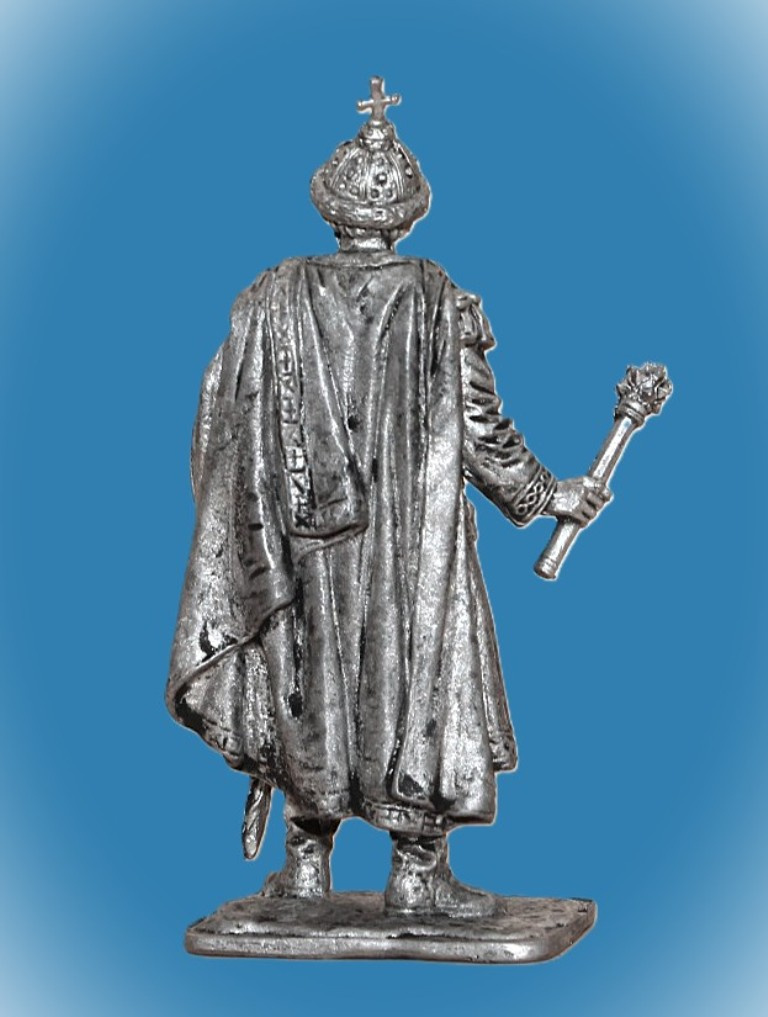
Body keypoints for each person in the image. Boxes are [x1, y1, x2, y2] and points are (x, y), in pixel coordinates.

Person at [166, 78, 609, 917]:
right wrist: (551, 494)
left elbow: (219, 421)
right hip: (409, 548)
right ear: (407, 216)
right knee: (412, 680)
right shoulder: (437, 298)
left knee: (304, 671)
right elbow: (480, 430)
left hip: (297, 541)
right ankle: (415, 869)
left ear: (332, 209)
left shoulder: (270, 297)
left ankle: (307, 861)